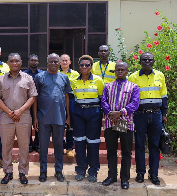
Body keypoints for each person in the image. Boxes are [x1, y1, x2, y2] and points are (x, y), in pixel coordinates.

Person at [0, 53, 38, 185]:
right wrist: (9, 111)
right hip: (5, 117)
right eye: (11, 61)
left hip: (23, 117)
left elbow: (33, 97)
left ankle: (23, 172)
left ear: (21, 62)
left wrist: (20, 111)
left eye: (17, 61)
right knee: (6, 145)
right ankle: (8, 172)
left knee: (24, 146)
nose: (14, 63)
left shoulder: (28, 78)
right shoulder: (1, 79)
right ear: (7, 62)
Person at [128, 52, 168, 185]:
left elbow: (164, 96)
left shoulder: (160, 75)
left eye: (149, 60)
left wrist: (164, 114)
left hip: (156, 115)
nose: (147, 62)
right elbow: (130, 98)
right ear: (140, 62)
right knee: (139, 145)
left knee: (154, 146)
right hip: (140, 115)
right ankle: (140, 173)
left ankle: (154, 174)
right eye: (144, 59)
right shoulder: (133, 77)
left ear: (153, 61)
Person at [101, 62, 140, 189]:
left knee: (126, 152)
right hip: (110, 122)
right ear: (114, 71)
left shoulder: (133, 87)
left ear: (127, 71)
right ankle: (111, 176)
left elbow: (135, 104)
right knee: (111, 151)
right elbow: (104, 101)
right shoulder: (108, 86)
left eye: (122, 69)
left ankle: (124, 179)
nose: (120, 71)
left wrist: (120, 113)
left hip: (126, 123)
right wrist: (110, 114)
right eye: (117, 70)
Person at [33, 53, 71, 182]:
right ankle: (43, 171)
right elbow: (35, 98)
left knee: (59, 146)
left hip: (60, 118)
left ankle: (58, 171)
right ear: (47, 62)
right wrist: (35, 118)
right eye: (51, 61)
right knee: (43, 146)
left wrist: (68, 116)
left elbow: (66, 97)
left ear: (60, 63)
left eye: (56, 62)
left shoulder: (64, 77)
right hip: (43, 118)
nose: (54, 64)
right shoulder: (39, 77)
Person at [70, 55, 104, 183]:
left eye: (87, 65)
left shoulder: (98, 80)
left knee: (93, 142)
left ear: (91, 66)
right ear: (79, 67)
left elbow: (101, 98)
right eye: (82, 65)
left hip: (93, 113)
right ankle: (80, 169)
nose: (84, 67)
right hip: (78, 113)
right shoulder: (74, 81)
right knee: (79, 142)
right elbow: (72, 98)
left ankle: (93, 171)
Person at [60, 54, 80, 158]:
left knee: (70, 124)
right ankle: (61, 146)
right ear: (60, 62)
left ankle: (69, 147)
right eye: (62, 60)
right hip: (59, 101)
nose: (64, 62)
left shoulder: (76, 74)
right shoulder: (56, 73)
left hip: (71, 100)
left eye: (66, 60)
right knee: (59, 124)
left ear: (70, 62)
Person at [24, 54, 43, 153]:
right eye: (31, 60)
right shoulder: (23, 74)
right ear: (28, 61)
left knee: (38, 123)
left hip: (40, 103)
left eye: (35, 60)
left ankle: (38, 144)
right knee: (27, 124)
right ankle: (29, 144)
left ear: (38, 62)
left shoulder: (42, 74)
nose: (33, 62)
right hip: (27, 102)